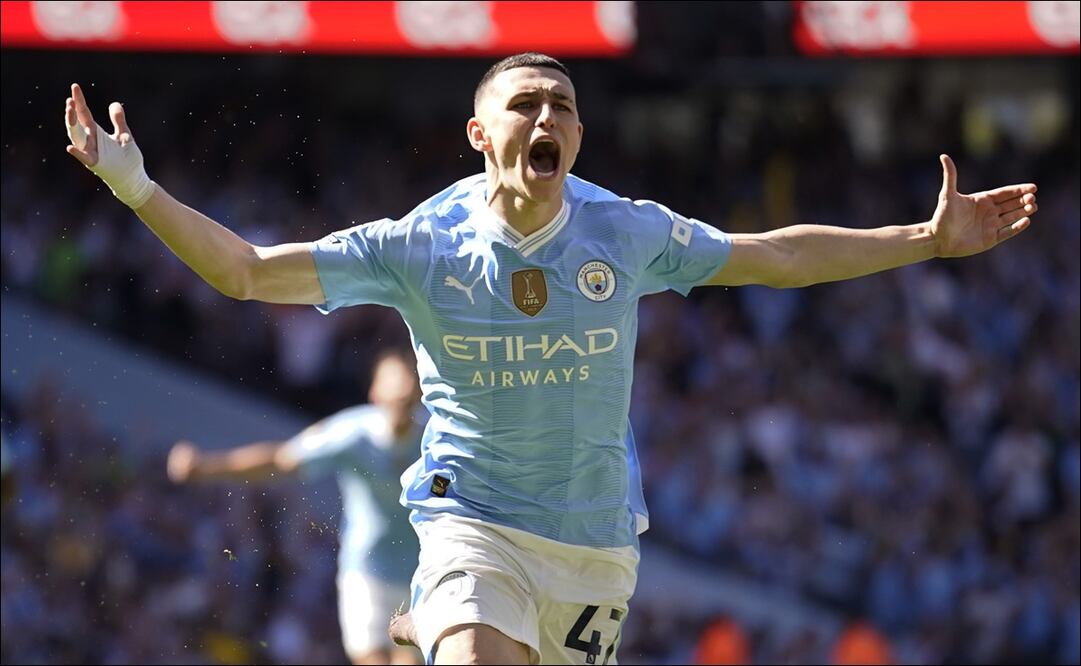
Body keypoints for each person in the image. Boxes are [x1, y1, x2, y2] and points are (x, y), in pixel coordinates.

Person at [64, 52, 1038, 665]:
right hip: (470, 519)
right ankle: (442, 623)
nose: (547, 119)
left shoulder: (623, 231)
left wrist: (922, 238)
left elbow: (773, 256)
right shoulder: (418, 246)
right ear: (481, 134)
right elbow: (244, 273)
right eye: (525, 103)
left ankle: (429, 632)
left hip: (594, 544)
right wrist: (136, 187)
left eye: (563, 107)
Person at [165, 348, 425, 666]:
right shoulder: (352, 434)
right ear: (375, 391)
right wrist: (207, 467)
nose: (403, 387)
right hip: (365, 571)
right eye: (394, 379)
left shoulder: (434, 439)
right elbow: (280, 459)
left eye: (409, 379)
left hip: (420, 574)